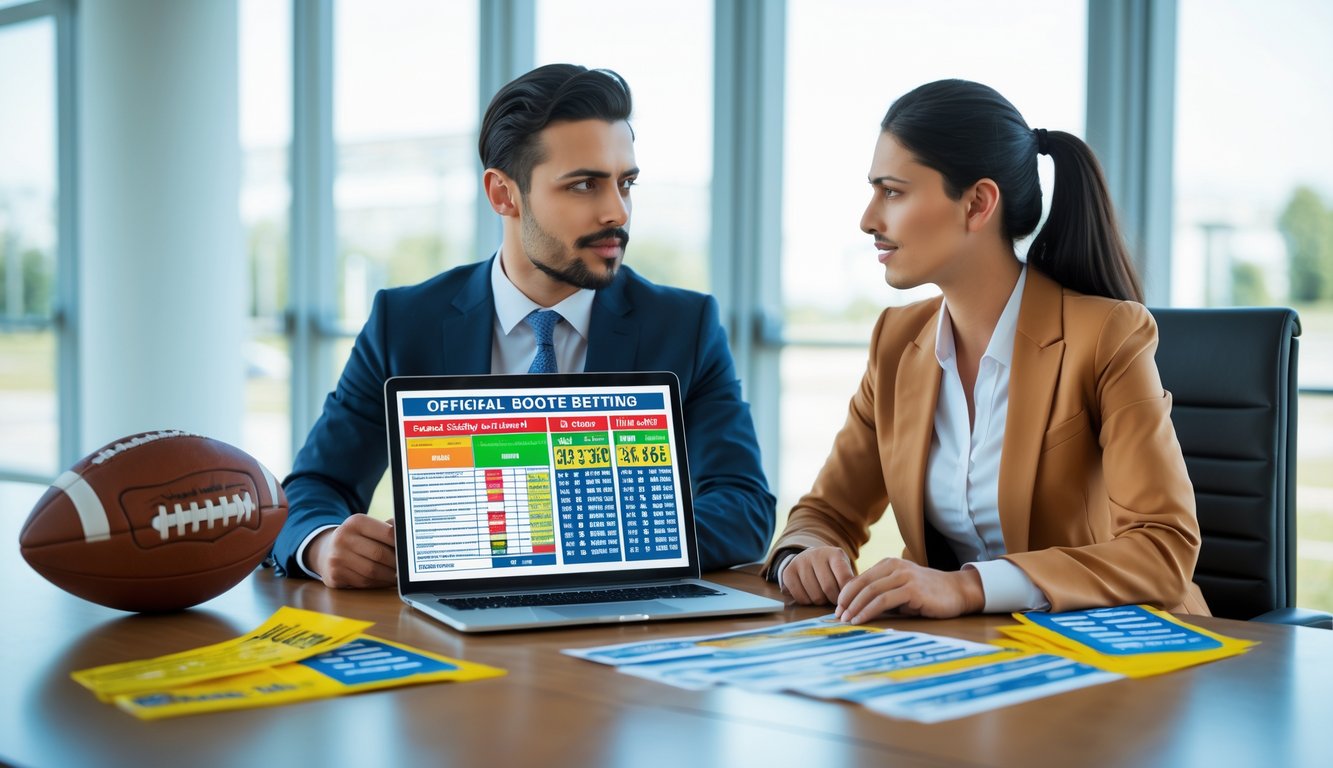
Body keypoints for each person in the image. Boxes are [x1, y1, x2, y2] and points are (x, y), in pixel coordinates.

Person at [272, 63, 775, 587]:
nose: (617, 212)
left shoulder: (684, 326)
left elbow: (743, 507)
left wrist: (556, 539)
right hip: (449, 626)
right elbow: (314, 487)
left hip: (624, 621)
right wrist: (323, 544)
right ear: (503, 195)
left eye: (625, 183)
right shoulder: (403, 323)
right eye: (584, 185)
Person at [764, 79, 1209, 622]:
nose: (868, 219)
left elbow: (1163, 549)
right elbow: (826, 512)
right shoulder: (896, 342)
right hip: (977, 651)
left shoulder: (1107, 336)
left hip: (1117, 647)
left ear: (977, 204)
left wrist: (969, 587)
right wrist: (803, 553)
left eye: (893, 192)